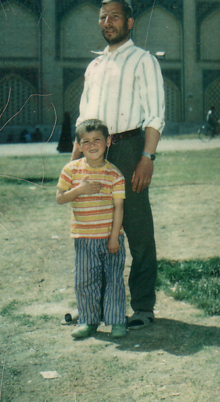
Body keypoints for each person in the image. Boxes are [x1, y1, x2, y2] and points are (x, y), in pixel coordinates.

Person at [72, 0, 165, 329]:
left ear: (130, 22)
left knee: (137, 230)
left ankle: (142, 306)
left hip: (128, 150)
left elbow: (154, 115)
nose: (107, 22)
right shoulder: (95, 66)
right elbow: (84, 118)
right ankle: (94, 309)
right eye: (102, 17)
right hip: (94, 154)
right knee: (95, 233)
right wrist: (74, 162)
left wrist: (146, 158)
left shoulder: (143, 61)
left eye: (114, 16)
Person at [57, 119, 128, 338]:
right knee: (85, 281)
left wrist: (114, 237)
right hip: (84, 238)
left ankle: (117, 321)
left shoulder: (114, 174)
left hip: (110, 238)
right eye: (86, 141)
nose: (92, 145)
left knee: (114, 281)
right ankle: (88, 321)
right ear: (79, 145)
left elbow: (118, 207)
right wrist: (80, 190)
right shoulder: (71, 170)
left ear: (108, 141)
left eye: (97, 139)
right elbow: (60, 198)